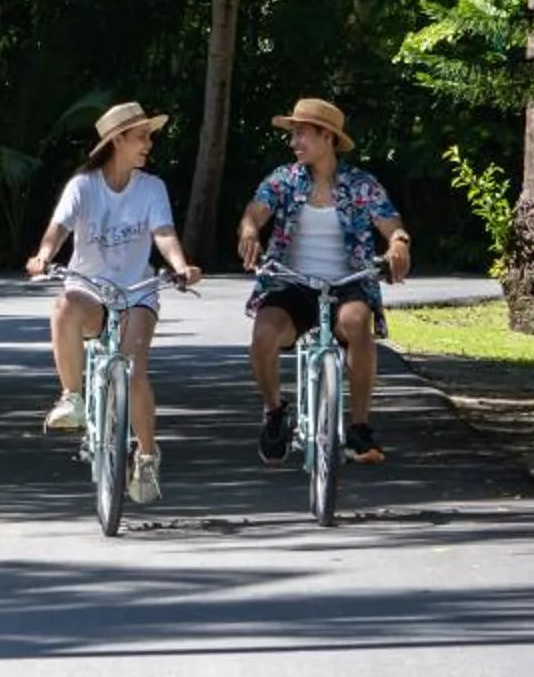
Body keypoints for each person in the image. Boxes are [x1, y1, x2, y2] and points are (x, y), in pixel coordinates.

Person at [25, 100, 201, 505]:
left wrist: (180, 264)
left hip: (137, 291)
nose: (148, 145)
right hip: (89, 289)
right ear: (117, 141)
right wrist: (43, 257)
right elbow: (58, 229)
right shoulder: (83, 186)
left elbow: (164, 234)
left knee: (134, 369)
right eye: (141, 137)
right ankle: (72, 397)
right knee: (63, 308)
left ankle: (146, 455)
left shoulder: (151, 188)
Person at [235, 96, 411, 465]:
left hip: (348, 281)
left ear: (327, 137)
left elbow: (390, 223)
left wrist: (399, 243)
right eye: (293, 134)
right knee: (264, 334)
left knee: (357, 323)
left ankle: (360, 427)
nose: (293, 142)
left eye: (301, 134)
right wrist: (250, 231)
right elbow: (255, 212)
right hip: (292, 282)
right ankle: (273, 411)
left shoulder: (361, 185)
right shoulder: (283, 180)